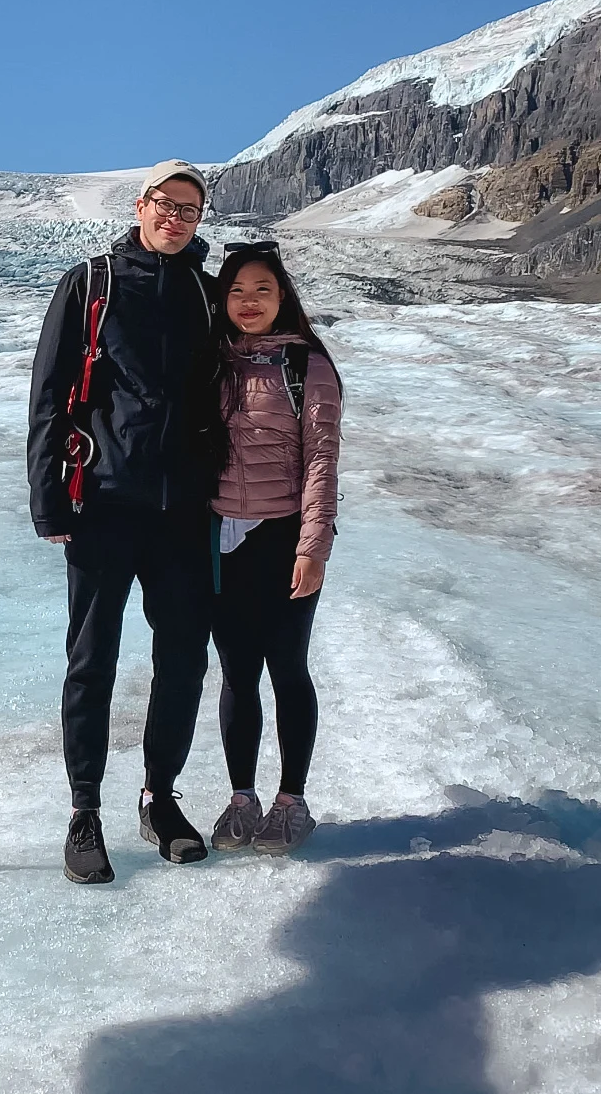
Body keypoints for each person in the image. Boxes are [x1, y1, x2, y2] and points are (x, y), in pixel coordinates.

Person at [28, 161, 225, 884]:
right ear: (140, 206)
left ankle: (159, 796)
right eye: (167, 204)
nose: (177, 218)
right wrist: (48, 498)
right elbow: (49, 394)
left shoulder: (208, 296)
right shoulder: (91, 283)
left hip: (182, 512)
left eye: (191, 210)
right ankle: (85, 811)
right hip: (103, 504)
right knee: (93, 661)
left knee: (183, 659)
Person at [205, 240, 341, 855]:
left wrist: (313, 544)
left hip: (283, 537)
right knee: (236, 672)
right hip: (220, 540)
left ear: (282, 295)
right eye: (236, 291)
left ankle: (292, 799)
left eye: (262, 289)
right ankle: (241, 797)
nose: (249, 301)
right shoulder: (211, 362)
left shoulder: (306, 364)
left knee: (286, 665)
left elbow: (321, 459)